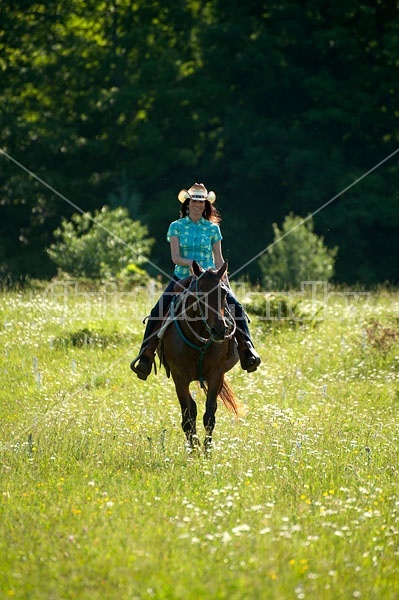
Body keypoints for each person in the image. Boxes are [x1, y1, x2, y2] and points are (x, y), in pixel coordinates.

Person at [130, 183, 261, 380]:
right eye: (194, 201)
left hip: (210, 279)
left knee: (237, 308)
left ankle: (246, 349)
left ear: (206, 205)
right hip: (183, 277)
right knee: (158, 310)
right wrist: (191, 264)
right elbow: (175, 257)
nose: (198, 205)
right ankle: (146, 355)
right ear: (188, 204)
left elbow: (218, 259)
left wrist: (225, 282)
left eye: (201, 202)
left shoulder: (213, 229)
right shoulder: (176, 227)